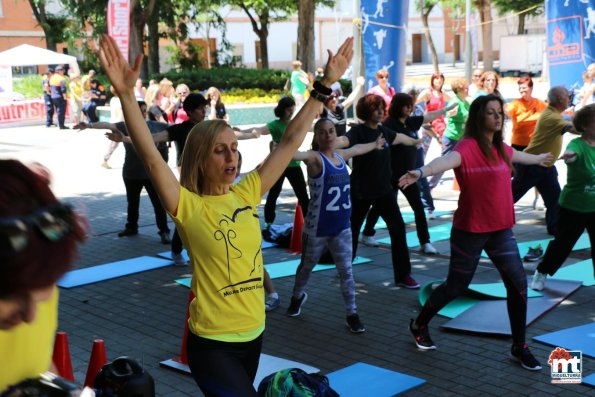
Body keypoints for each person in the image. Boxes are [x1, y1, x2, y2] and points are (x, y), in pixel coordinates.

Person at [97, 32, 353, 397]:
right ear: (201, 158)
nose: (231, 157)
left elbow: (291, 140)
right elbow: (153, 160)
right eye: (220, 151)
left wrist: (325, 85)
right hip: (212, 343)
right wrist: (125, 94)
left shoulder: (247, 192)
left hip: (254, 332)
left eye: (233, 148)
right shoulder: (188, 206)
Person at [399, 94, 553, 371]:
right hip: (470, 231)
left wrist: (540, 158)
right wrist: (421, 173)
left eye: (499, 112)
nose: (498, 117)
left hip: (501, 230)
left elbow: (518, 155)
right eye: (491, 112)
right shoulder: (467, 147)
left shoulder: (500, 147)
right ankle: (419, 323)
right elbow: (443, 163)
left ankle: (520, 346)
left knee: (518, 286)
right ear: (479, 117)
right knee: (456, 287)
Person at [286, 118, 385, 332]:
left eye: (331, 131)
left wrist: (375, 145)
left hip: (342, 228)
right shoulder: (315, 158)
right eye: (322, 132)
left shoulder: (341, 156)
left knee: (346, 271)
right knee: (307, 266)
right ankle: (296, 297)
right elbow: (296, 155)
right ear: (316, 137)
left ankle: (352, 313)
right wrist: (281, 149)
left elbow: (357, 149)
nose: (328, 136)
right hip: (317, 229)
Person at [0, 160, 86, 392]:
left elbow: (36, 362)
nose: (31, 317)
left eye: (43, 294)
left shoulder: (35, 279)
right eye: (11, 299)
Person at [334, 94, 422, 289]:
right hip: (360, 191)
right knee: (352, 231)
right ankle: (344, 272)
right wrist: (330, 142)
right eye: (376, 109)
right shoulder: (358, 132)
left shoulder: (384, 131)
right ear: (366, 112)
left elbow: (400, 138)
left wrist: (415, 142)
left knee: (398, 229)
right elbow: (344, 141)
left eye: (383, 108)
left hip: (384, 191)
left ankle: (403, 275)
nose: (381, 111)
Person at [360, 93, 455, 253]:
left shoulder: (410, 122)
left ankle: (425, 242)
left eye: (410, 105)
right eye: (406, 105)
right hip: (390, 175)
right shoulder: (389, 124)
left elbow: (428, 116)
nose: (409, 109)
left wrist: (445, 109)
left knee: (418, 207)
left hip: (408, 176)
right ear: (398, 106)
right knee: (379, 207)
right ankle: (368, 233)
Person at [75, 101, 172, 245]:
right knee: (132, 202)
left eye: (144, 110)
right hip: (131, 173)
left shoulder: (155, 125)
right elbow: (107, 125)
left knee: (157, 203)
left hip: (151, 173)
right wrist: (88, 125)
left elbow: (176, 129)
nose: (142, 113)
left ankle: (164, 231)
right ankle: (131, 227)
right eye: (139, 110)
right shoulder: (124, 126)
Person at [530, 104, 595, 290]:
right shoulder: (577, 145)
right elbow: (571, 155)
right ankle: (541, 272)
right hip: (574, 207)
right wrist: (570, 157)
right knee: (563, 245)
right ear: (585, 126)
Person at [512, 86, 577, 236]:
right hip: (532, 165)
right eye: (567, 96)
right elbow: (573, 129)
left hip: (545, 166)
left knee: (554, 200)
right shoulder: (551, 117)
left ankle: (555, 228)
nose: (569, 98)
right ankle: (490, 222)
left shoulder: (553, 114)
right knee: (511, 196)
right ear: (560, 100)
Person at [244, 97, 310, 228]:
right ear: (282, 110)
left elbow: (310, 126)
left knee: (302, 194)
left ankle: (309, 221)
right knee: (274, 193)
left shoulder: (294, 123)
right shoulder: (275, 125)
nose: (291, 112)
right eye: (288, 110)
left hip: (294, 165)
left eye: (293, 109)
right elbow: (260, 130)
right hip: (279, 165)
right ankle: (269, 222)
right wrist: (244, 132)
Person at [427, 77, 470, 189]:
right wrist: (450, 113)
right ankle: (429, 186)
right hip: (451, 138)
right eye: (466, 88)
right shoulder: (455, 102)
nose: (468, 90)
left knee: (465, 161)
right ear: (459, 89)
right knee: (444, 164)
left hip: (462, 138)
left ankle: (467, 186)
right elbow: (449, 113)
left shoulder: (465, 102)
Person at [505, 76, 548, 152]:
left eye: (524, 88)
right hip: (518, 145)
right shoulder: (515, 104)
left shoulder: (538, 103)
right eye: (520, 88)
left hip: (534, 144)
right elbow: (505, 112)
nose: (521, 90)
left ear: (531, 88)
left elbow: (552, 110)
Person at [416, 71, 451, 158]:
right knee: (423, 149)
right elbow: (414, 101)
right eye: (436, 78)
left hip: (440, 126)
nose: (439, 80)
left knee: (446, 148)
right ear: (432, 80)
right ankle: (418, 167)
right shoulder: (428, 92)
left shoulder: (443, 93)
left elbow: (454, 101)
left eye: (441, 78)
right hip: (429, 125)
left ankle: (442, 165)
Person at [101, 87, 124, 169]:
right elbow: (121, 113)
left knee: (115, 143)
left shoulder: (113, 99)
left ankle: (105, 160)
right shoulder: (121, 100)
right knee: (115, 143)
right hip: (119, 123)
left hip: (114, 122)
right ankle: (105, 160)